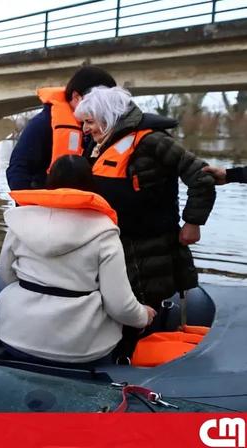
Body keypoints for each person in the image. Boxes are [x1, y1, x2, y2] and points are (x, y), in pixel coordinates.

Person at [74, 86, 216, 360]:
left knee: (144, 312)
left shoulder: (154, 142)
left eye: (89, 122)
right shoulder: (97, 145)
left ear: (108, 117)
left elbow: (202, 176)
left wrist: (193, 222)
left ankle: (142, 361)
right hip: (113, 245)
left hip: (151, 250)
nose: (85, 129)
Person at [0, 155, 155, 365]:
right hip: (79, 349)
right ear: (90, 184)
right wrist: (143, 315)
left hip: (14, 335)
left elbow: (6, 275)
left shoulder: (20, 221)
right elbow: (119, 305)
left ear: (49, 181)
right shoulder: (104, 231)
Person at [6, 66, 117, 190]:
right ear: (76, 97)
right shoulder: (41, 124)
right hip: (46, 204)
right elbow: (18, 170)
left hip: (81, 203)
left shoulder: (100, 127)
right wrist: (30, 207)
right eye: (99, 99)